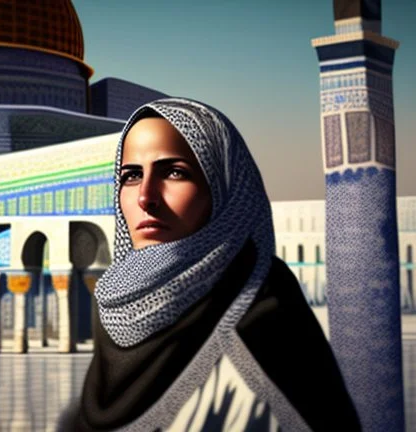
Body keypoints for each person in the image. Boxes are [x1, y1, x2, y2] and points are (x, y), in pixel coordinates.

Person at [58, 98, 360, 431]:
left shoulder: (263, 315)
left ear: (222, 189)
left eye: (174, 172)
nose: (146, 197)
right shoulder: (118, 311)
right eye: (131, 176)